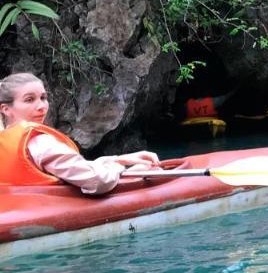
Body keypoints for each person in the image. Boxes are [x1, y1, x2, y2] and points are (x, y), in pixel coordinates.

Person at [0, 72, 159, 195]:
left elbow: (68, 170)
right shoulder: (40, 143)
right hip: (47, 213)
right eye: (29, 100)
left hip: (19, 209)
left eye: (43, 97)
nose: (41, 106)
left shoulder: (5, 143)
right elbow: (97, 181)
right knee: (152, 170)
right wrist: (122, 170)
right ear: (6, 109)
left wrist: (118, 160)